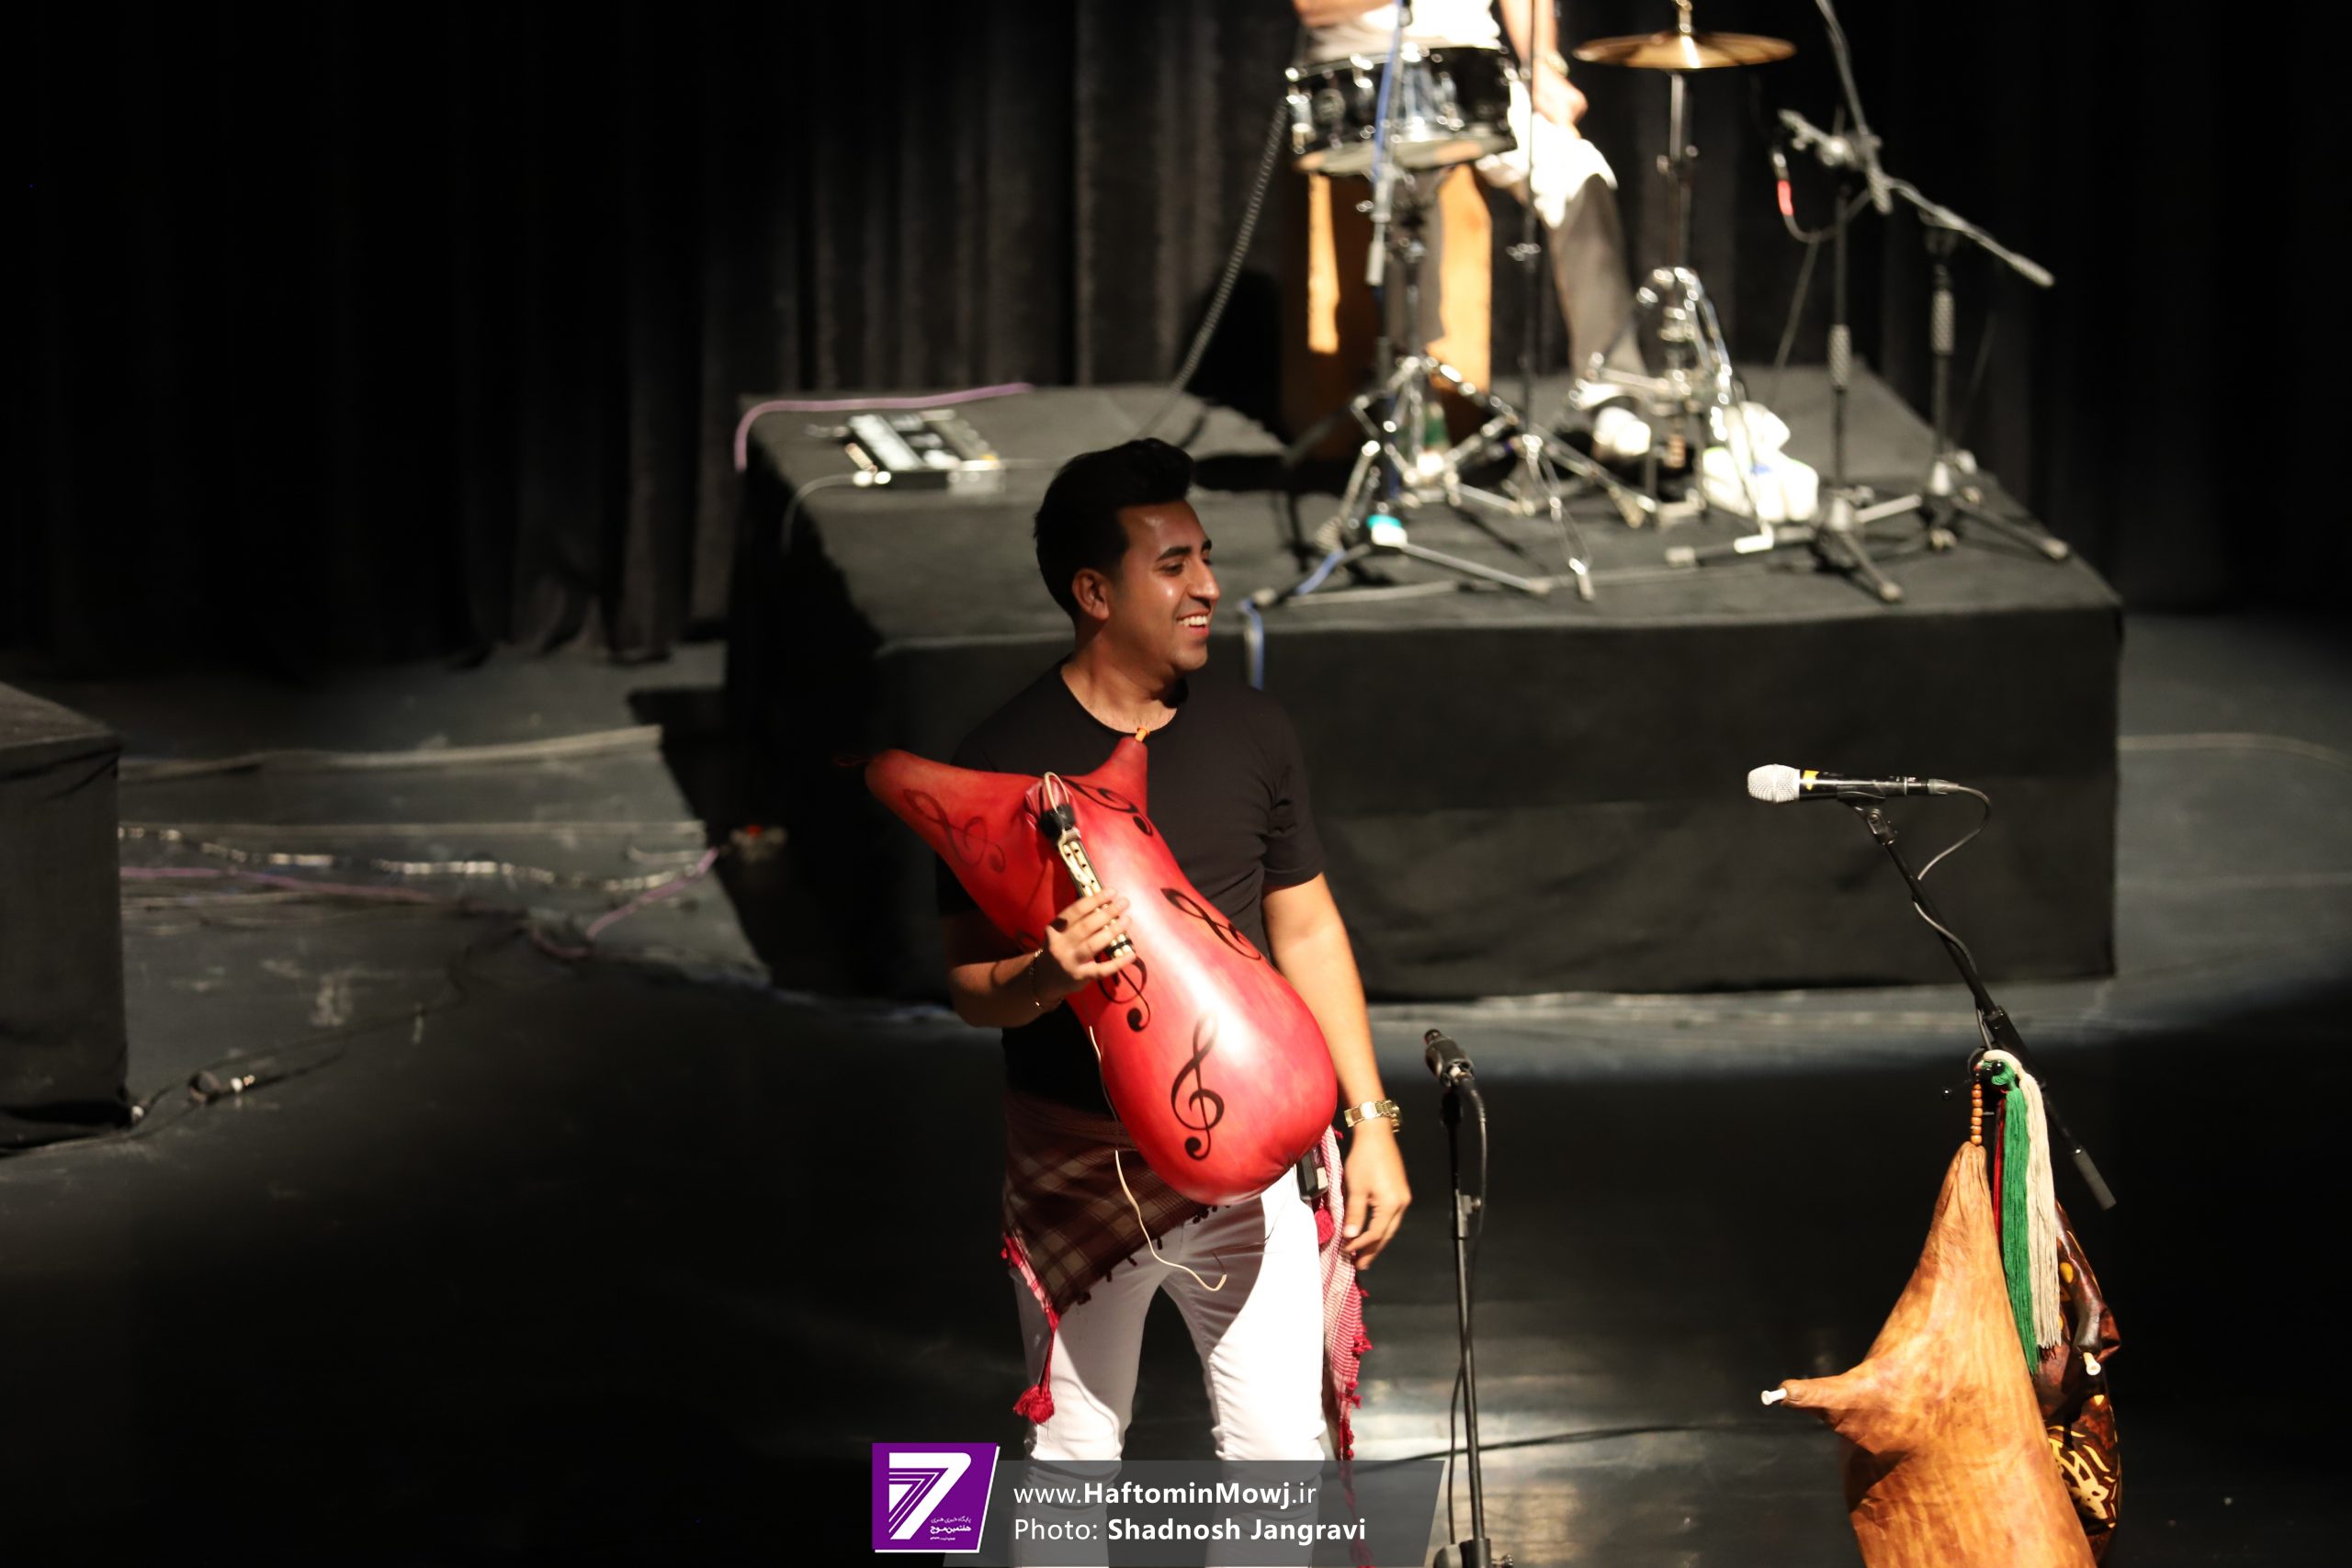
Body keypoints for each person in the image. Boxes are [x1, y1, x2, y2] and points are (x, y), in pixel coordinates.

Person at [936, 438, 1408, 1477]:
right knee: (1072, 1451)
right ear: (1094, 592)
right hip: (1080, 1161)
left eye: (1205, 558)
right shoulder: (1000, 763)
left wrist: (1370, 1120)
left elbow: (1308, 928)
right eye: (1174, 565)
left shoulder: (1253, 728)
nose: (1208, 587)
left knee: (1279, 1452)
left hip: (1251, 1164)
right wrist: (1046, 976)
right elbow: (969, 986)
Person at [1295, 0, 1651, 455]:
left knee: (1580, 175)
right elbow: (1313, 7)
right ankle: (1415, 398)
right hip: (1367, 74)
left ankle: (1612, 394)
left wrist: (1541, 65)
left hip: (1473, 67)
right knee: (1407, 197)